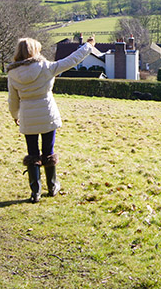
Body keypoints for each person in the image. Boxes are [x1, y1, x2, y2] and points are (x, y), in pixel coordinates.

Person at [7, 34, 95, 203]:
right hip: (47, 113)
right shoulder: (45, 67)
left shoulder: (13, 73)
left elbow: (12, 99)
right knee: (48, 151)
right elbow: (72, 60)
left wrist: (15, 115)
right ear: (35, 51)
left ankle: (35, 191)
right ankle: (52, 186)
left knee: (32, 153)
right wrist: (88, 46)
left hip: (27, 115)